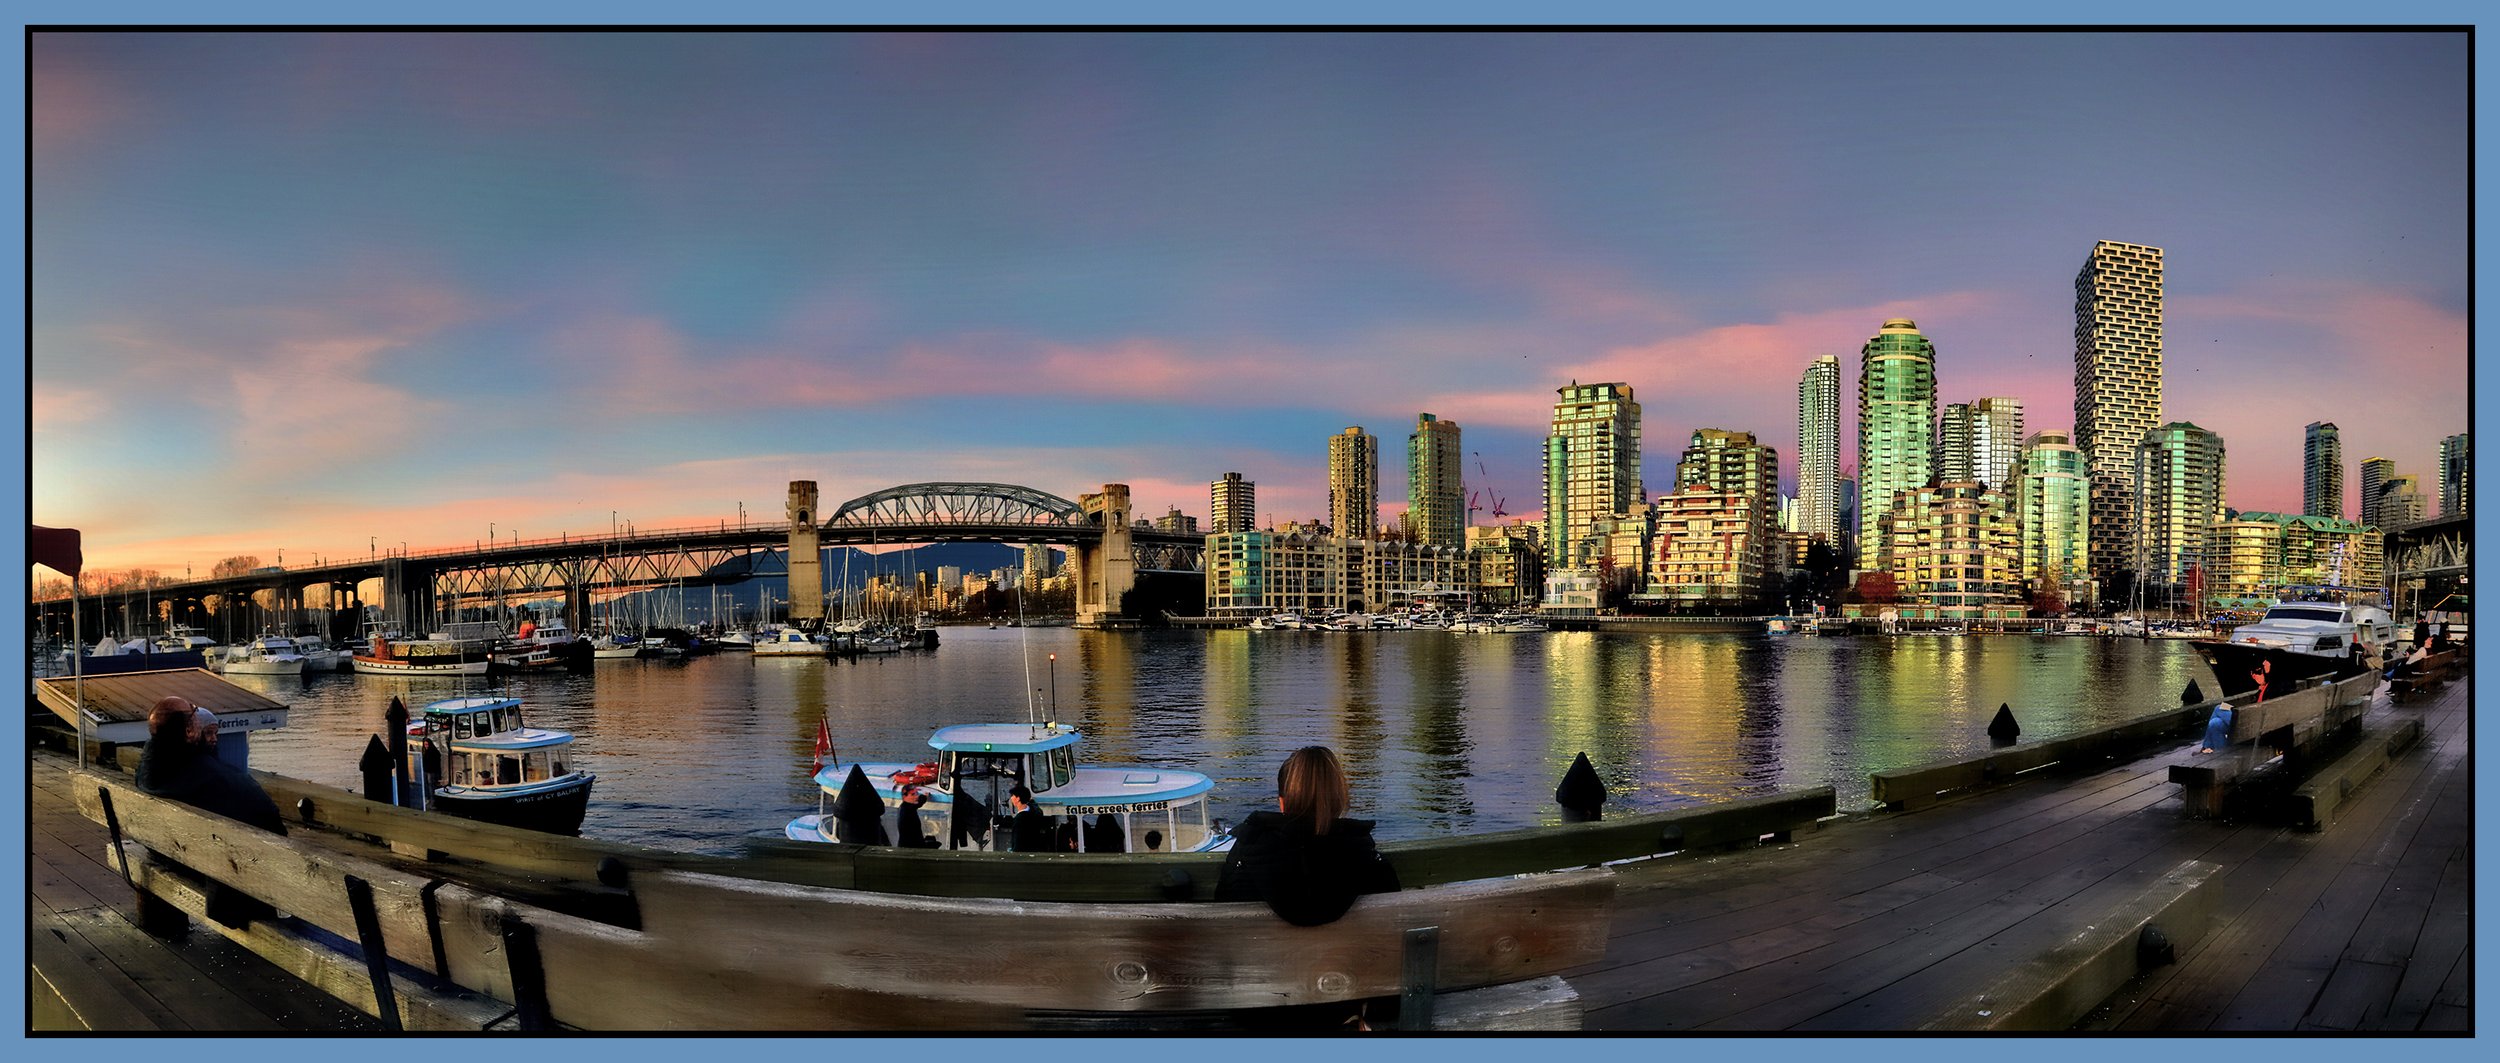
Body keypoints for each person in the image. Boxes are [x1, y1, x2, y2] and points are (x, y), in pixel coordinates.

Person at [1214, 746, 1401, 926]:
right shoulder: (1369, 860)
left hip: (1261, 957)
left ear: (1282, 803)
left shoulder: (1247, 854)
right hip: (1352, 957)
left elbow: (1223, 908)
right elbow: (1394, 915)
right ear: (1339, 800)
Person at [135, 697, 284, 834]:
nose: (198, 717)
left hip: (166, 848)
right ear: (189, 731)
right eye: (194, 711)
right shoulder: (219, 778)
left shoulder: (146, 774)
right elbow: (272, 821)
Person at [1005, 786, 1056, 852]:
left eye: (1013, 795)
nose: (1011, 798)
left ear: (1018, 798)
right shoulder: (1035, 812)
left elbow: (1018, 842)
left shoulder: (1019, 819)